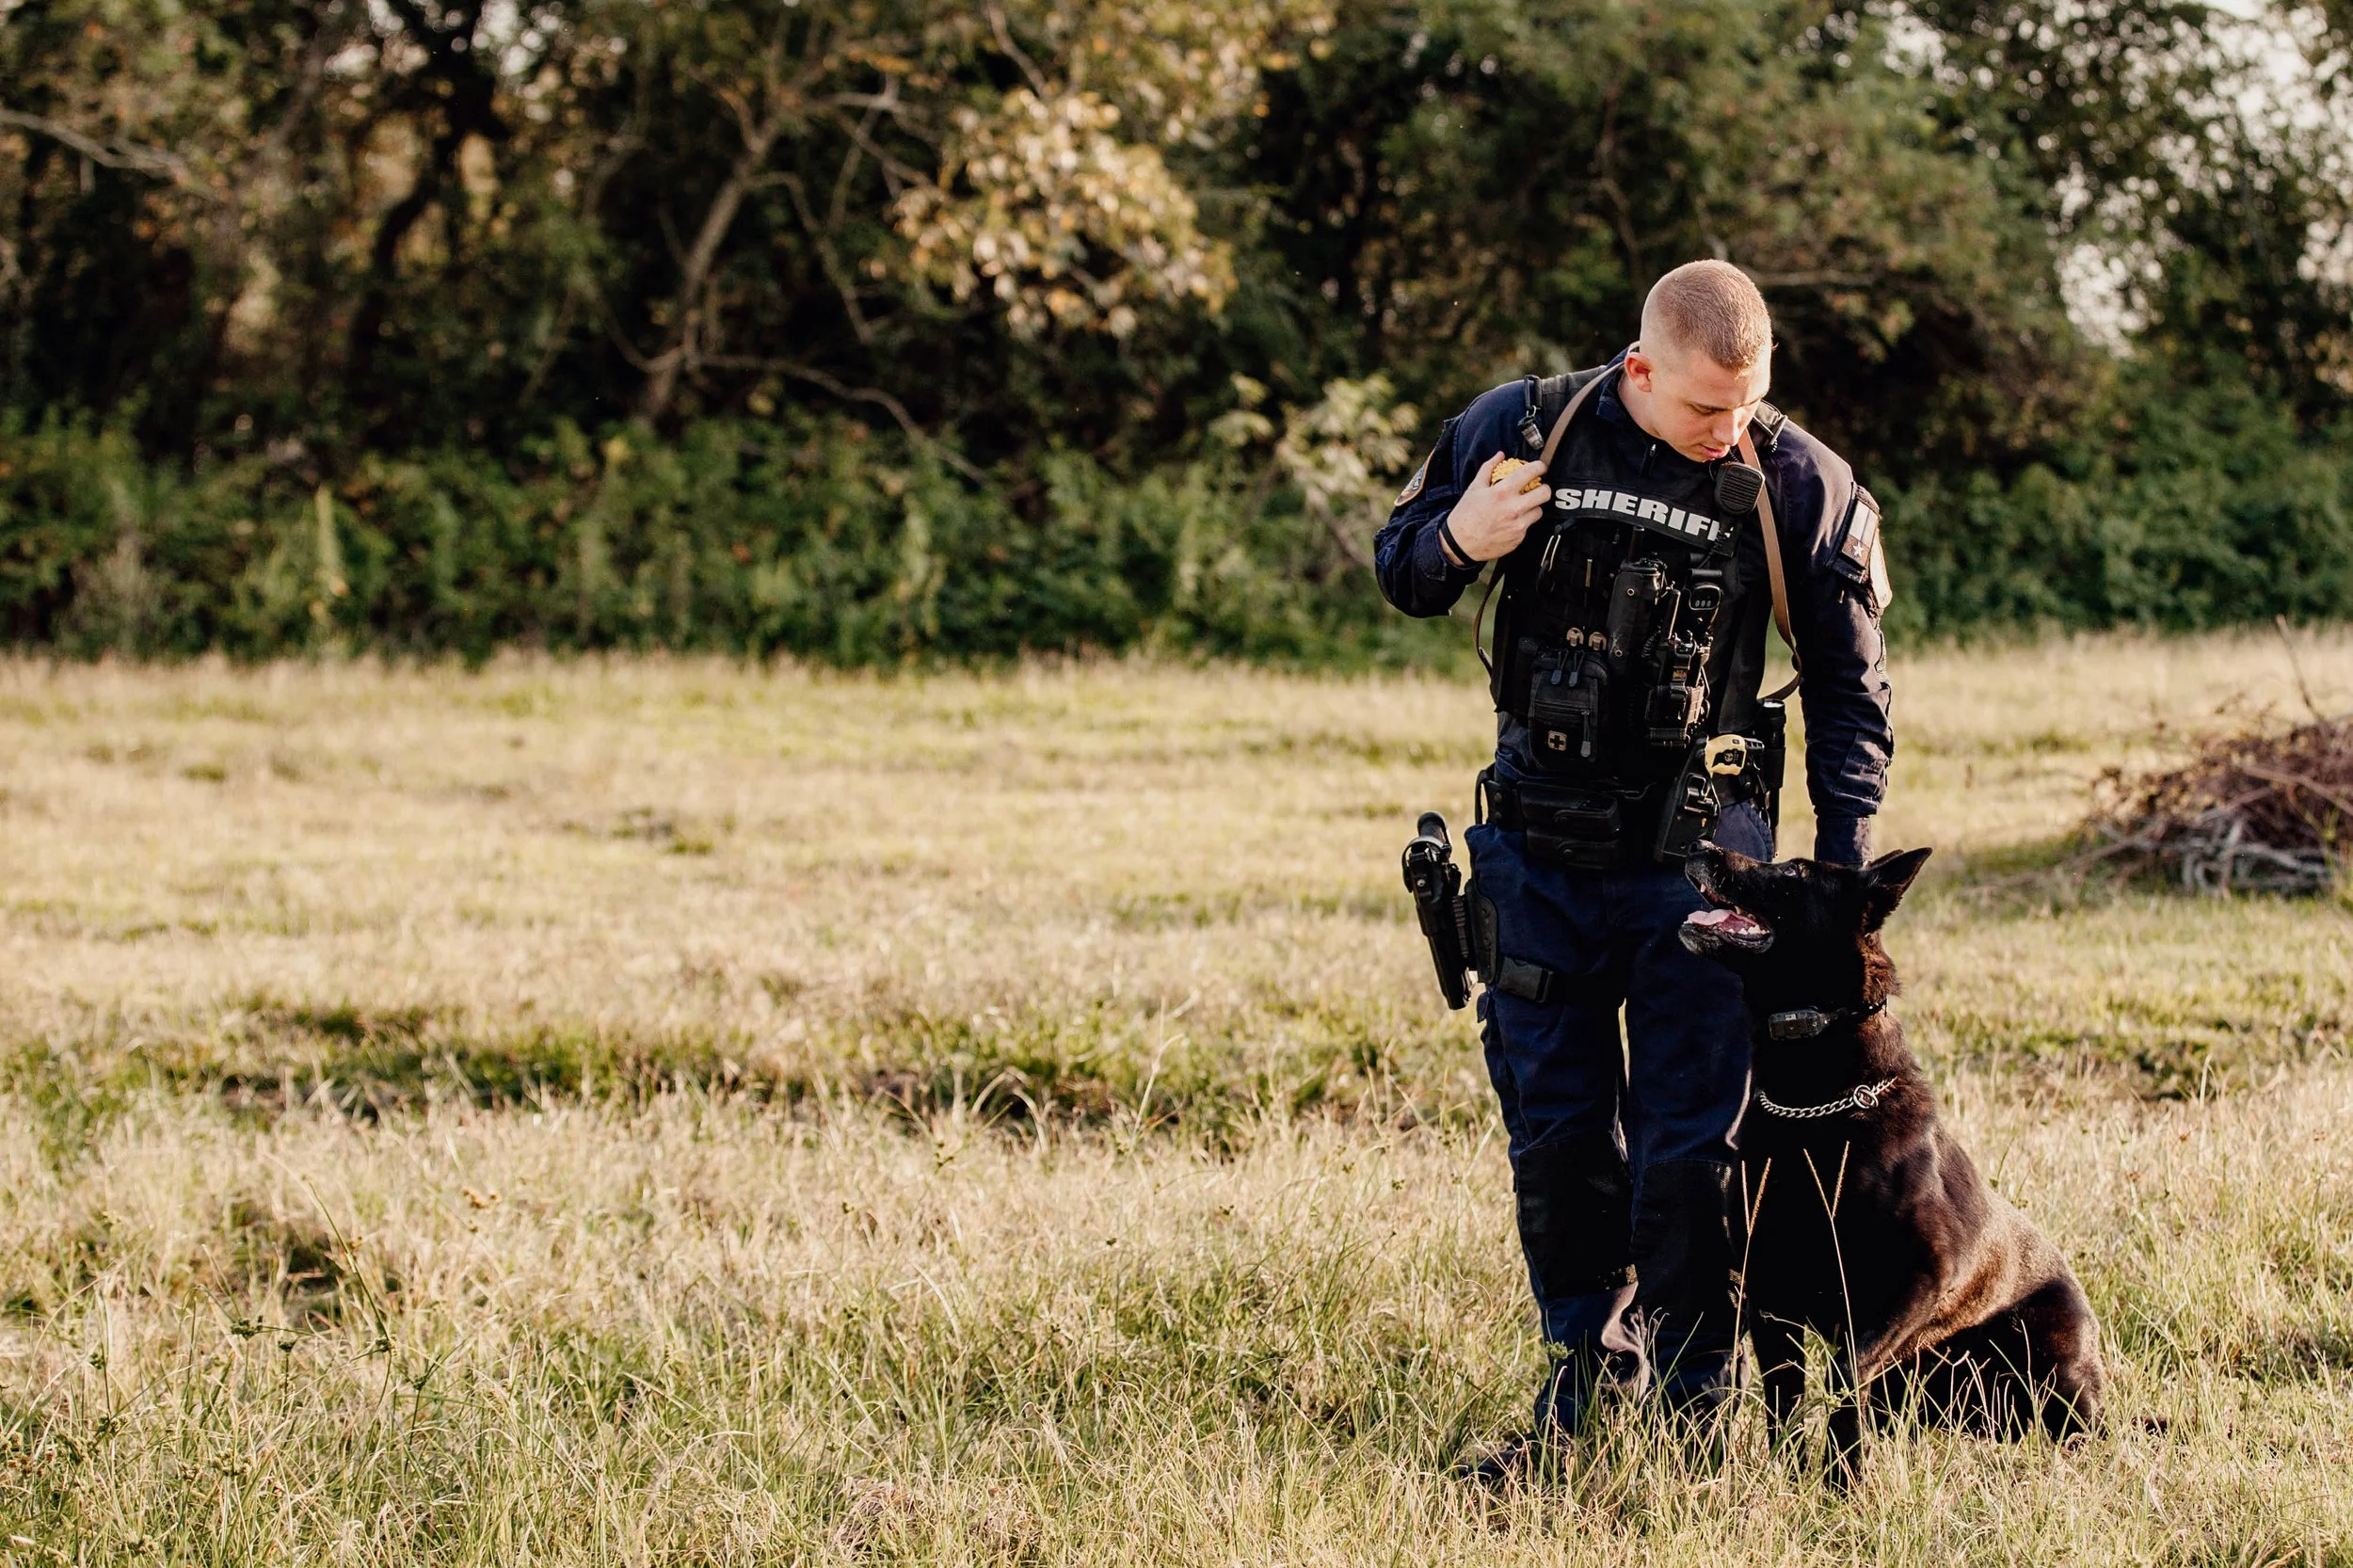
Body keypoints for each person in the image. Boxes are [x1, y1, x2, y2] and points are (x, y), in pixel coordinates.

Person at [1373, 260, 1895, 1471]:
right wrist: (1459, 536)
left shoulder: (1795, 480)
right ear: (1642, 368)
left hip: (1699, 861)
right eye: (1707, 408)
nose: (1731, 429)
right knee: (1555, 1134)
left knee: (1691, 1141)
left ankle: (1696, 1390)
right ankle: (1587, 1375)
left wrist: (1846, 874)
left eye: (1750, 403)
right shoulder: (1521, 425)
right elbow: (1400, 567)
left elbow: (1850, 690)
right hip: (1537, 850)